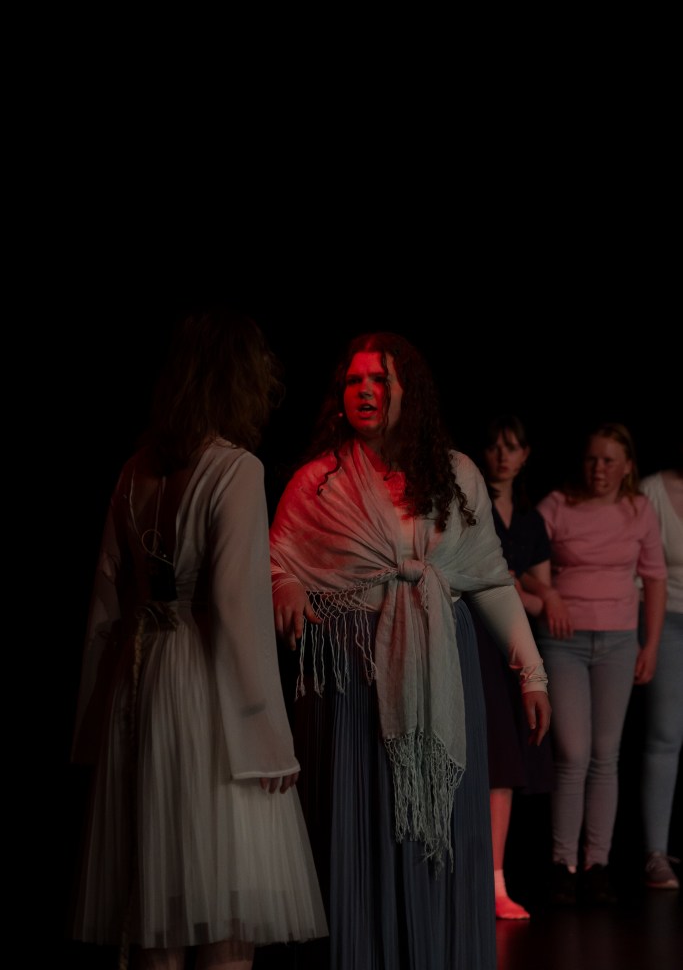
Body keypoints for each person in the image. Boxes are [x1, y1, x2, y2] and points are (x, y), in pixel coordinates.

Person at [268, 332, 551, 970]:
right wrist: (284, 586)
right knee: (361, 823)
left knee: (435, 828)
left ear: (409, 393)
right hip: (352, 685)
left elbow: (490, 579)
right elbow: (274, 559)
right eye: (354, 381)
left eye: (380, 380)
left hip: (439, 675)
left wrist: (532, 673)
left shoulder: (456, 475)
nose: (365, 391)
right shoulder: (319, 482)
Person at [70, 309, 328, 970]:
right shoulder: (236, 469)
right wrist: (269, 740)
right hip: (211, 696)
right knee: (226, 909)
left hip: (142, 682)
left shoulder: (133, 471)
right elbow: (236, 607)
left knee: (157, 907)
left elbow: (106, 604)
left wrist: (94, 727)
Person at [530, 422, 667, 907]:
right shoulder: (557, 505)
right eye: (592, 459)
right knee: (573, 752)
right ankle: (563, 863)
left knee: (606, 754)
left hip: (618, 642)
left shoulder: (639, 509)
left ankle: (597, 864)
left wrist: (650, 645)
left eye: (610, 460)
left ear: (627, 466)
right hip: (564, 641)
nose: (599, 468)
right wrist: (548, 593)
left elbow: (654, 578)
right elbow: (519, 559)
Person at [473, 415, 556, 919]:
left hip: (512, 649)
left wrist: (524, 591)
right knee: (477, 758)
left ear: (526, 455)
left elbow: (542, 601)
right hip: (473, 642)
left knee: (505, 764)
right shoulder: (469, 503)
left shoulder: (528, 520)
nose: (502, 455)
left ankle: (497, 881)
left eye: (512, 446)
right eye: (494, 446)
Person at [638, 445, 683, 889]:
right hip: (666, 619)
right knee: (666, 734)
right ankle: (656, 853)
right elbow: (640, 570)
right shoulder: (652, 490)